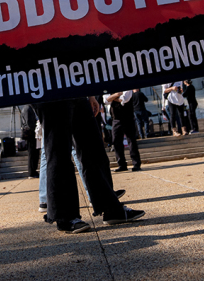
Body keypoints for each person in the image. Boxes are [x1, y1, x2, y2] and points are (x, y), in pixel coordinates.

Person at [34, 97, 144, 233]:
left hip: (75, 89)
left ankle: (110, 208)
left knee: (93, 148)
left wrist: (89, 95)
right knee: (59, 152)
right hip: (48, 90)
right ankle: (65, 217)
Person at [103, 90, 141, 172]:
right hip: (116, 119)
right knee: (116, 141)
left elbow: (124, 99)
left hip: (128, 117)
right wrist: (117, 95)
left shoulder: (127, 87)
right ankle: (122, 164)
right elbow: (105, 100)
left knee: (131, 141)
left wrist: (112, 98)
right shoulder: (108, 88)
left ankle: (136, 163)